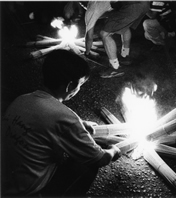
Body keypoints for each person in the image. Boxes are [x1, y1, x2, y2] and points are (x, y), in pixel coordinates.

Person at [2, 49, 121, 197]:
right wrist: (114, 151)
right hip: (26, 192)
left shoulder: (22, 99)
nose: (78, 89)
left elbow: (45, 122)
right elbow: (100, 158)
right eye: (80, 85)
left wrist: (80, 125)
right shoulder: (65, 117)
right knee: (86, 164)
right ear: (70, 86)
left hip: (6, 183)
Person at [99, 1, 150, 78]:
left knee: (105, 34)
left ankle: (115, 67)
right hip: (144, 4)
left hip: (133, 6)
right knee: (125, 26)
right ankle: (125, 56)